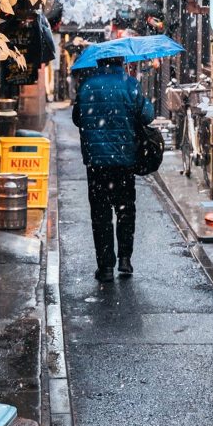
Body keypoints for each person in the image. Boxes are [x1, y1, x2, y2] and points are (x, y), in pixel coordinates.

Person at [72, 56, 155, 283]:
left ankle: (106, 267)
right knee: (125, 210)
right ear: (121, 61)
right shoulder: (129, 84)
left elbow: (77, 118)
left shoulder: (87, 85)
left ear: (98, 62)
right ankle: (125, 260)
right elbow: (147, 115)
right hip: (124, 160)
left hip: (96, 163)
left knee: (100, 215)